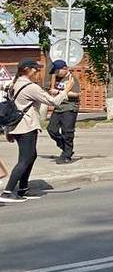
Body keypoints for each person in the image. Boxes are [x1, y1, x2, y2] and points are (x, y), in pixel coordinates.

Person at [2, 58, 67, 203]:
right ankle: (7, 192)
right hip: (26, 126)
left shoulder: (14, 84)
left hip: (18, 126)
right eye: (36, 69)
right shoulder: (30, 87)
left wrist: (8, 130)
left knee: (31, 156)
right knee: (25, 159)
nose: (38, 72)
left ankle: (22, 189)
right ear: (27, 70)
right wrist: (66, 91)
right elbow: (53, 102)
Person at [45, 60, 81, 164]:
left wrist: (60, 92)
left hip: (70, 107)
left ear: (64, 68)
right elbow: (50, 88)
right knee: (51, 129)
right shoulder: (56, 78)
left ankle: (67, 155)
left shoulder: (71, 78)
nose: (56, 73)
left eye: (57, 71)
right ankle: (65, 147)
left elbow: (77, 94)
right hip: (58, 107)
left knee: (67, 132)